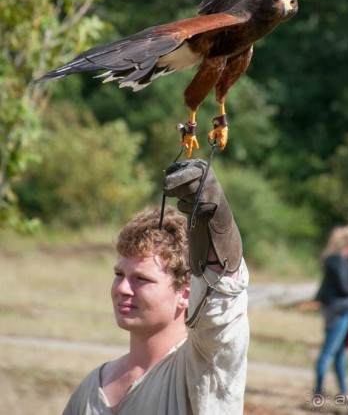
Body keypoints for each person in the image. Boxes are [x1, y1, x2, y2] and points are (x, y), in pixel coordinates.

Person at [62, 159, 249, 415]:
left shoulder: (205, 367)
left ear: (186, 292)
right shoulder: (91, 388)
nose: (123, 289)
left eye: (142, 279)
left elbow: (221, 304)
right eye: (119, 274)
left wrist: (216, 222)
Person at [314, 225, 348, 396]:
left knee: (338, 352)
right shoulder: (337, 261)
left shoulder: (340, 261)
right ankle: (319, 390)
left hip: (338, 309)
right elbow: (343, 287)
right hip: (338, 311)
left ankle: (343, 391)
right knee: (329, 352)